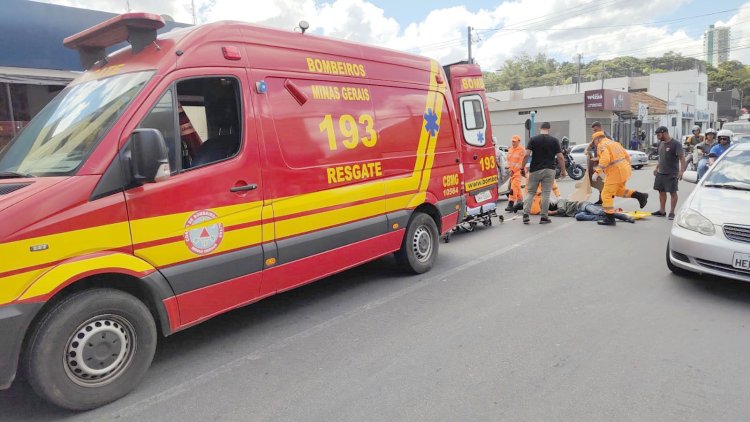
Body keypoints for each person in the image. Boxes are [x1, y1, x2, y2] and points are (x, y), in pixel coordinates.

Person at [592, 131, 649, 226]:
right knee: (618, 191)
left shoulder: (601, 145)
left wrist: (597, 172)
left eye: (594, 141)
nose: (594, 143)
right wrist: (626, 167)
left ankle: (610, 219)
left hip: (616, 172)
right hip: (624, 169)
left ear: (597, 139)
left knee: (605, 194)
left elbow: (605, 159)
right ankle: (640, 196)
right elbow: (626, 156)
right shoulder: (614, 143)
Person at [520, 122, 566, 224]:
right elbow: (561, 157)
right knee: (546, 193)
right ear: (549, 129)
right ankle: (544, 217)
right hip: (549, 170)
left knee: (531, 192)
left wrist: (522, 168)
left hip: (535, 170)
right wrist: (563, 171)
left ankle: (525, 214)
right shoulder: (554, 140)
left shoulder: (533, 139)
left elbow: (526, 155)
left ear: (540, 129)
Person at [652, 126, 686, 220]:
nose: (658, 137)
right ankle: (662, 211)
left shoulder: (676, 144)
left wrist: (681, 171)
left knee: (672, 192)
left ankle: (672, 212)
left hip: (672, 173)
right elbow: (661, 158)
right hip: (661, 172)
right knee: (661, 192)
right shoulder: (661, 143)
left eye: (659, 135)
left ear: (665, 133)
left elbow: (682, 158)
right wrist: (656, 168)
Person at [548, 198, 635, 223]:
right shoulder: (556, 208)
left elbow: (562, 210)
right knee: (578, 216)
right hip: (579, 212)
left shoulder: (560, 201)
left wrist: (551, 213)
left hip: (582, 205)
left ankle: (625, 217)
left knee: (598, 212)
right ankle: (605, 218)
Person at [504, 135, 525, 212]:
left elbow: (521, 162)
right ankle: (520, 201)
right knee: (517, 187)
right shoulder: (510, 150)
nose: (513, 143)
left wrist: (513, 170)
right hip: (512, 172)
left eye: (515, 141)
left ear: (519, 141)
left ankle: (511, 204)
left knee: (513, 187)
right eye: (512, 141)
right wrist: (509, 169)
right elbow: (508, 161)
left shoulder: (522, 150)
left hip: (519, 172)